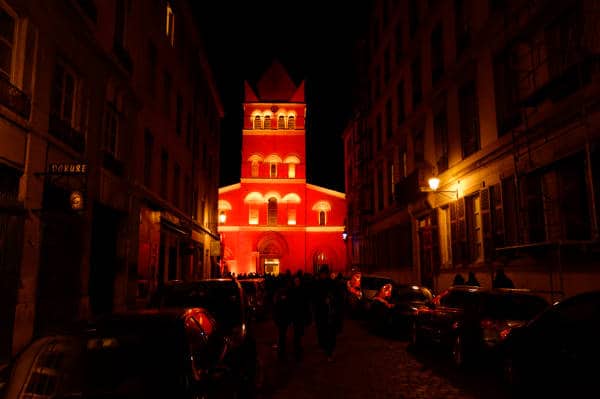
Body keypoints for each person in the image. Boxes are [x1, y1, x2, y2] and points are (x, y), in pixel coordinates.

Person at [313, 265, 343, 362]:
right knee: (323, 332)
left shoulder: (333, 284)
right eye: (322, 274)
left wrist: (331, 300)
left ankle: (330, 351)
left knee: (330, 333)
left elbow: (339, 298)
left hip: (331, 314)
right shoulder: (317, 284)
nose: (323, 275)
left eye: (324, 274)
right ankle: (325, 348)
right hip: (321, 313)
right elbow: (314, 299)